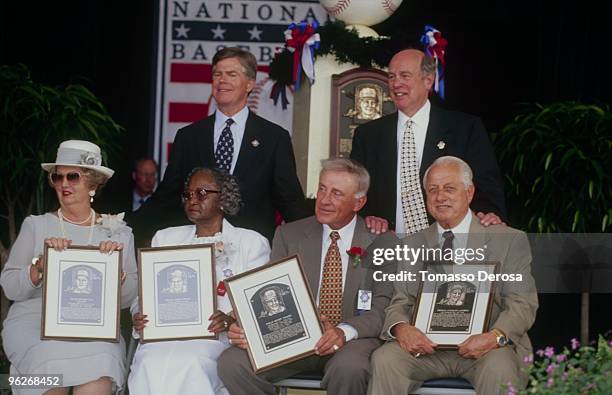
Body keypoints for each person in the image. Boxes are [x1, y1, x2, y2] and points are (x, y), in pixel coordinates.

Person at [218, 158, 395, 395]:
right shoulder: (288, 235)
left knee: (349, 368)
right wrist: (245, 328)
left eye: (336, 193)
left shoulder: (382, 241)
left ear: (358, 202)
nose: (324, 200)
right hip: (294, 339)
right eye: (322, 188)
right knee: (232, 362)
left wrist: (344, 331)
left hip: (353, 340)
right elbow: (267, 295)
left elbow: (384, 307)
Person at [368, 156, 538, 395]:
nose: (440, 197)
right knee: (385, 359)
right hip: (426, 351)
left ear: (469, 192)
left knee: (500, 367)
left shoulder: (509, 239)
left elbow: (522, 304)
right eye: (433, 190)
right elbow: (401, 301)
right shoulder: (413, 244)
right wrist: (401, 329)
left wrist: (494, 337)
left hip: (487, 349)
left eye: (449, 188)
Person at [129, 47, 310, 242]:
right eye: (217, 74)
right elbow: (166, 197)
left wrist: (315, 239)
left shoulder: (274, 138)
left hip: (250, 253)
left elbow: (290, 203)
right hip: (198, 248)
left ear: (250, 83)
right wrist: (123, 229)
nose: (222, 80)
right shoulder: (188, 137)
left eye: (231, 74)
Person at [0, 139, 138, 394]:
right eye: (57, 176)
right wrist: (38, 268)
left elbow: (129, 298)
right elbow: (9, 287)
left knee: (100, 370)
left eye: (72, 176)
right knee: (50, 369)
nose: (63, 184)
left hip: (93, 327)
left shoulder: (119, 233)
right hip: (34, 321)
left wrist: (116, 276)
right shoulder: (36, 225)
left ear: (93, 183)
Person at [128, 167, 271, 395]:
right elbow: (144, 294)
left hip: (216, 339)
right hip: (164, 338)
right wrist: (139, 314)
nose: (192, 200)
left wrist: (231, 320)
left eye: (201, 193)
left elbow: (257, 302)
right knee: (150, 362)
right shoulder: (165, 237)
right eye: (188, 194)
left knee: (192, 363)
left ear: (223, 197)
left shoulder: (251, 243)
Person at [350, 48, 506, 235]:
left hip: (448, 245)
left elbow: (487, 184)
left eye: (405, 76)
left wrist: (491, 213)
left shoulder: (465, 128)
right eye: (391, 77)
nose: (396, 83)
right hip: (387, 248)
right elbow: (355, 192)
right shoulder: (368, 135)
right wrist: (368, 216)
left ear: (428, 80)